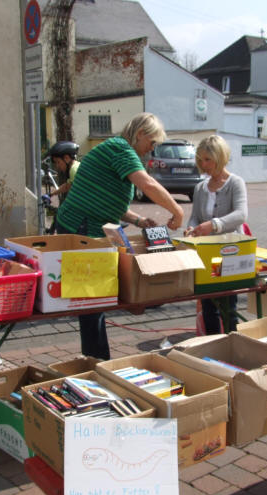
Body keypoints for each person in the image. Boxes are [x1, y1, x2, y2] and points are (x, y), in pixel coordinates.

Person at [54, 112, 184, 359]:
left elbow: (108, 202)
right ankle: (97, 363)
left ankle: (97, 360)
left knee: (96, 300)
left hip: (87, 225)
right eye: (152, 142)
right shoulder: (120, 148)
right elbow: (149, 185)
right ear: (140, 134)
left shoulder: (117, 150)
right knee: (92, 301)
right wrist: (176, 209)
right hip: (80, 227)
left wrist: (138, 220)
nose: (151, 149)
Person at [185, 135, 248, 334]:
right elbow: (195, 217)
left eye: (208, 160)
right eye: (200, 160)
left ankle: (232, 344)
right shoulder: (200, 188)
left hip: (229, 253)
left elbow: (241, 215)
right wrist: (190, 229)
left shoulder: (236, 183)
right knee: (208, 306)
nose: (204, 165)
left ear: (220, 158)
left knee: (228, 307)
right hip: (206, 254)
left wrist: (213, 225)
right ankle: (212, 345)